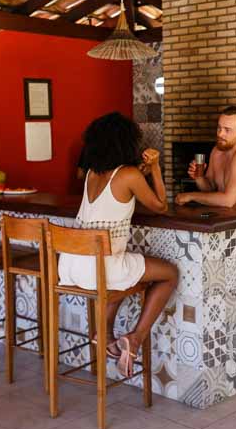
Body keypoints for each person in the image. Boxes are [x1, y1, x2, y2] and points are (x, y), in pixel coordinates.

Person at [59, 112, 178, 377]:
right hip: (101, 270)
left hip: (72, 268)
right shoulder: (129, 174)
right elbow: (161, 206)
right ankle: (135, 338)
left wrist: (139, 173)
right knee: (170, 274)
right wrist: (155, 168)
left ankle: (104, 334)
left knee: (121, 273)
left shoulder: (91, 173)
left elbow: (121, 186)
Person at [174, 105, 236, 345]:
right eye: (219, 128)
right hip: (223, 224)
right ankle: (229, 336)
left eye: (227, 130)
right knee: (224, 284)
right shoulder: (216, 151)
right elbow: (212, 189)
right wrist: (199, 179)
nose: (220, 133)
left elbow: (228, 199)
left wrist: (190, 195)